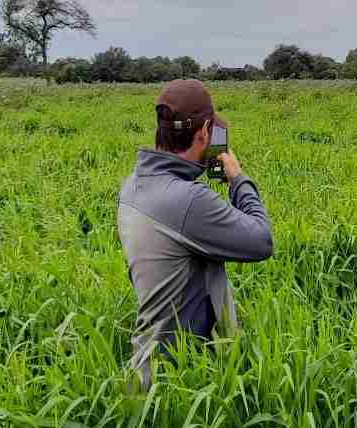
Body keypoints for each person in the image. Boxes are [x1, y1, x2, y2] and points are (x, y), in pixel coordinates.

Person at [117, 79, 274, 390]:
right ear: (203, 133)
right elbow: (261, 240)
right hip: (176, 380)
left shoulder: (133, 185)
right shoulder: (188, 201)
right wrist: (237, 178)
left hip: (149, 365)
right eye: (211, 132)